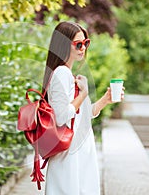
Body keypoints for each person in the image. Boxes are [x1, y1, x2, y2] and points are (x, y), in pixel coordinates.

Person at [42, 21, 124, 195]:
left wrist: (105, 100)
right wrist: (83, 93)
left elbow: (80, 115)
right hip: (69, 155)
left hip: (77, 153)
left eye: (86, 43)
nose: (83, 48)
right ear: (64, 45)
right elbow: (61, 117)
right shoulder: (61, 74)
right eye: (78, 44)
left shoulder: (66, 74)